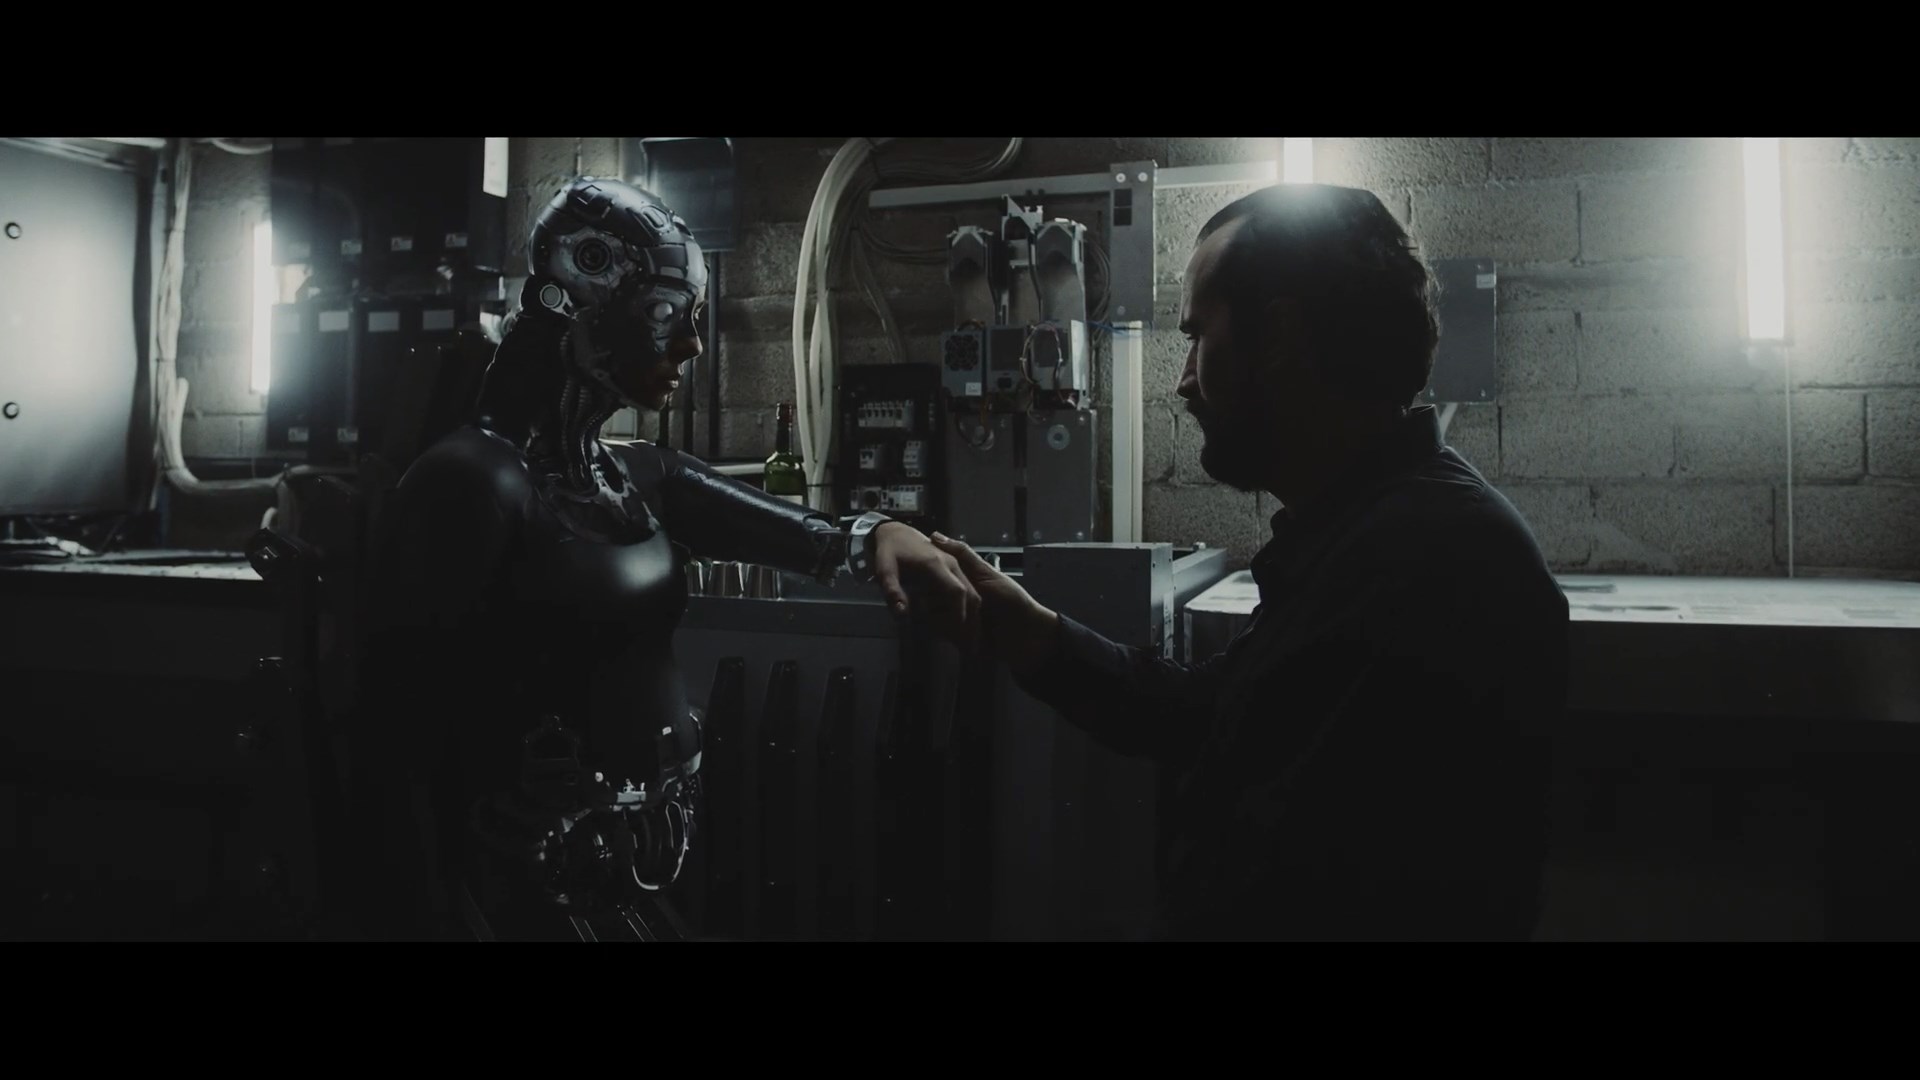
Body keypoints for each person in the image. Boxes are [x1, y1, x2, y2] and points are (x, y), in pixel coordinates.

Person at [929, 183, 1569, 941]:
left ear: (1280, 337)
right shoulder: (1373, 530)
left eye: (1199, 336)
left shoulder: (1432, 562)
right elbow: (1217, 716)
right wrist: (1029, 632)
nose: (1184, 378)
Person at [359, 177, 978, 941]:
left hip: (622, 877)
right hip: (517, 895)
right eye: (663, 315)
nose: (691, 344)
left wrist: (873, 536)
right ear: (577, 303)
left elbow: (779, 526)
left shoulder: (621, 474)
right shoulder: (469, 482)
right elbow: (392, 746)